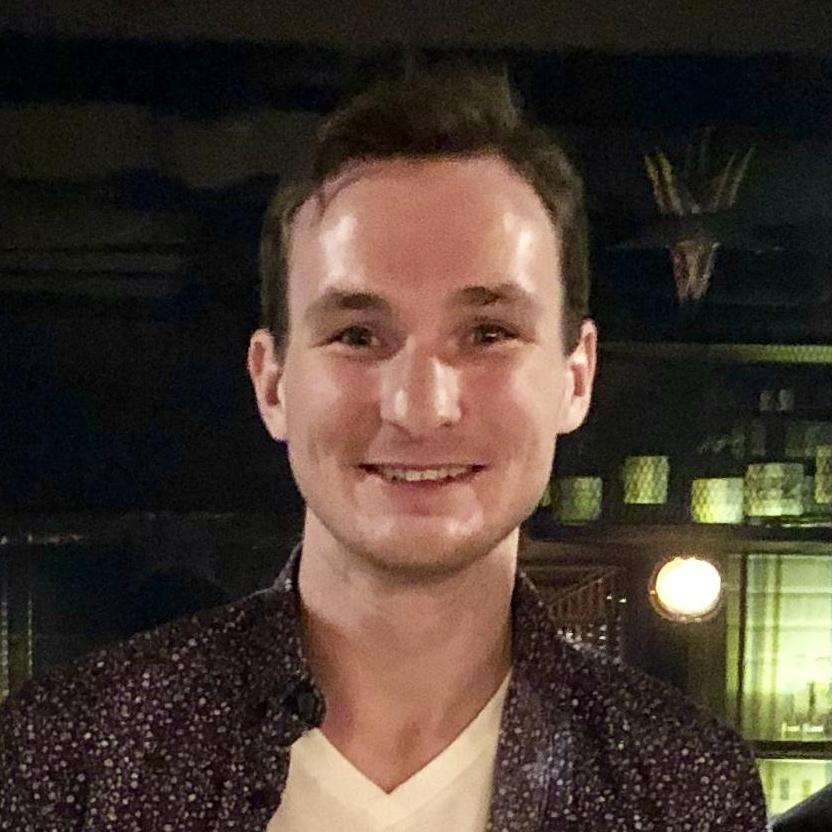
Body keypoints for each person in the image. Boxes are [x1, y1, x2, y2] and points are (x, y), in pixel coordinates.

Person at [0, 67, 767, 831]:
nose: (420, 407)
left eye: (488, 333)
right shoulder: (65, 760)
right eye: (358, 335)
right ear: (273, 384)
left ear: (575, 377)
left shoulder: (683, 788)